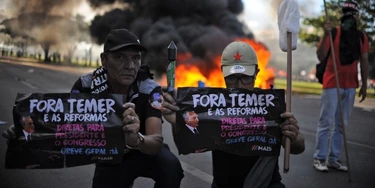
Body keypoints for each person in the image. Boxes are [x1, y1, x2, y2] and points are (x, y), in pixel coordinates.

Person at [3, 28, 184, 188]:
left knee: (171, 167)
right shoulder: (86, 85)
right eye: (120, 57)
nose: (130, 66)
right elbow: (66, 128)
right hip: (108, 157)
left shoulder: (149, 88)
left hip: (142, 151)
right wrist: (26, 130)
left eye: (135, 58)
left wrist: (136, 139)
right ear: (104, 60)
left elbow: (156, 141)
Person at [162, 41, 305, 188]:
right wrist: (177, 120)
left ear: (256, 73)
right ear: (223, 74)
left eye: (246, 77)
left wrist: (292, 135)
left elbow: (298, 147)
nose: (239, 84)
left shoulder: (271, 104)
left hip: (265, 183)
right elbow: (188, 142)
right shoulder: (213, 104)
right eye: (232, 78)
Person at [313, 1, 369, 172]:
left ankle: (333, 159)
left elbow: (364, 60)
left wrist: (364, 85)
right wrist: (325, 33)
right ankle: (319, 158)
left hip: (350, 85)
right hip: (332, 83)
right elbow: (321, 56)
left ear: (357, 16)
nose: (350, 17)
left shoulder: (361, 36)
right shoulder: (334, 32)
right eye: (347, 13)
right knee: (326, 122)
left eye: (353, 14)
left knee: (341, 124)